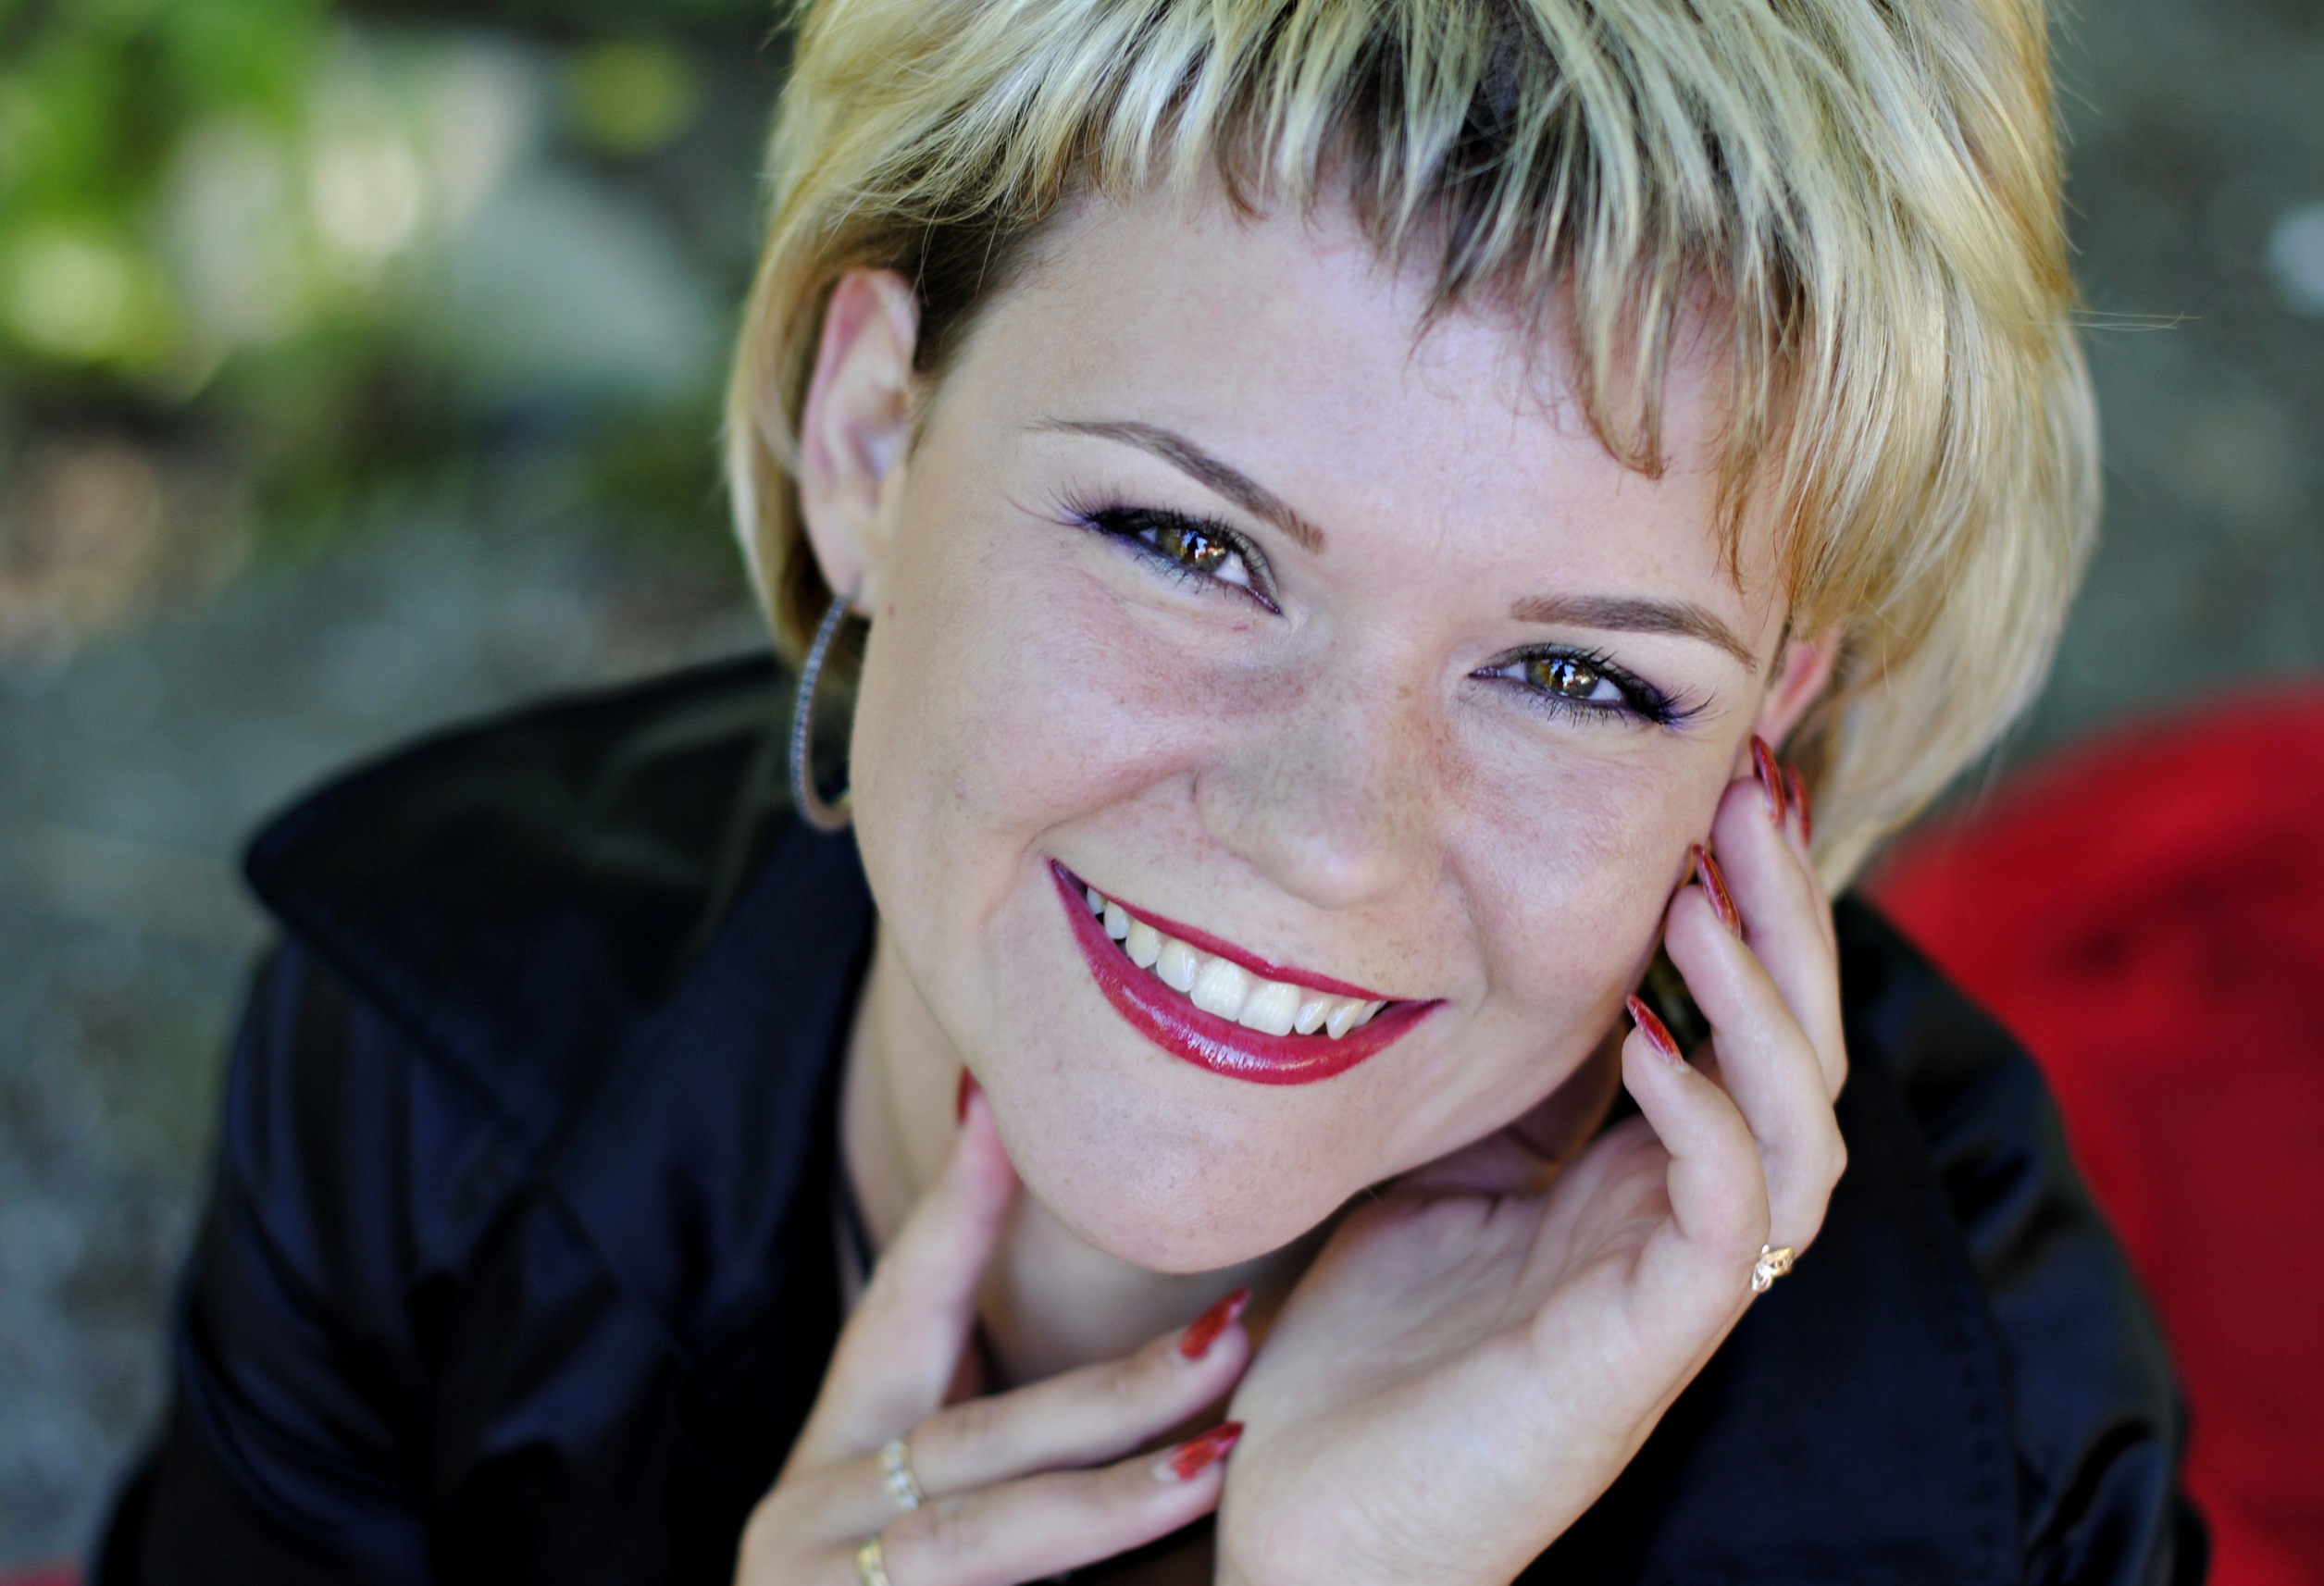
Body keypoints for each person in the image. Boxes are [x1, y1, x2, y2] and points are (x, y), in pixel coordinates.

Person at [99, 0, 2206, 1581]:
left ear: (1769, 721)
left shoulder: (1980, 1453)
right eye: (1188, 543)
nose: (1331, 832)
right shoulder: (430, 1060)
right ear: (868, 436)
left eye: (1578, 674)